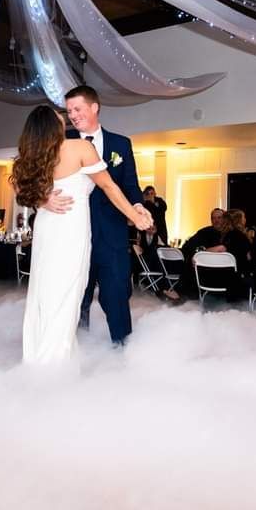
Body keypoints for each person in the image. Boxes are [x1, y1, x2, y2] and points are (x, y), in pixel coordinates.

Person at [12, 104, 151, 364]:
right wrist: (136, 217)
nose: (66, 121)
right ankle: (55, 361)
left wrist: (42, 200)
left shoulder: (32, 156)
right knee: (67, 291)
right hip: (71, 230)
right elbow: (108, 186)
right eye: (61, 118)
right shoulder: (80, 148)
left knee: (45, 290)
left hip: (46, 228)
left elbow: (20, 188)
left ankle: (39, 354)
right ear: (53, 127)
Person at [40, 85, 148, 346]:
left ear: (94, 107)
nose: (73, 116)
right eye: (69, 111)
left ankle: (122, 348)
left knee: (117, 293)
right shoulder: (61, 141)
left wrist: (138, 205)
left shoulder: (121, 144)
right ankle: (78, 347)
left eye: (77, 109)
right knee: (77, 295)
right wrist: (44, 199)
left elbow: (130, 184)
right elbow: (33, 176)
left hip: (111, 234)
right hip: (73, 231)